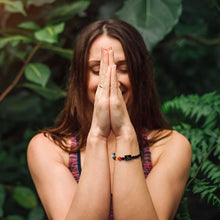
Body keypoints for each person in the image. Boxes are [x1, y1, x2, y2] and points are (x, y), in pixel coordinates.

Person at [27, 19, 192, 220]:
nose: (110, 79)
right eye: (97, 70)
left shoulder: (171, 146)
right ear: (80, 77)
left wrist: (124, 134)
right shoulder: (48, 148)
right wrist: (98, 135)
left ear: (140, 76)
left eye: (123, 69)